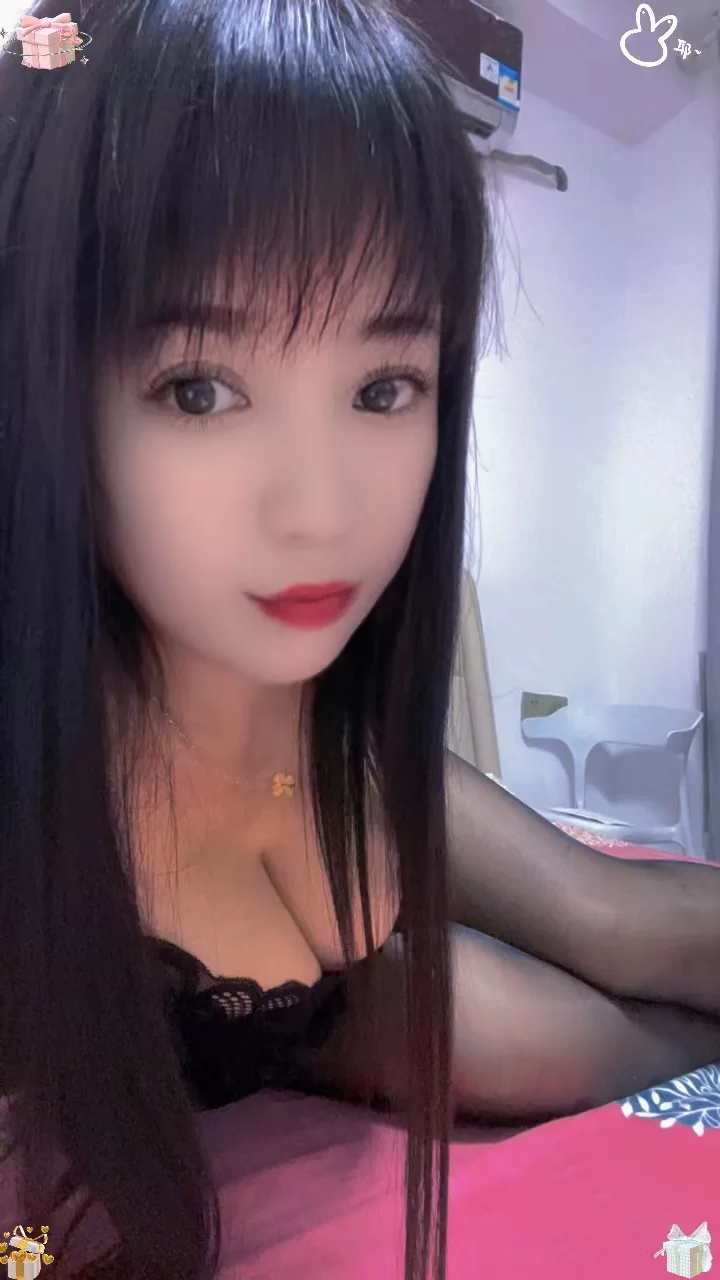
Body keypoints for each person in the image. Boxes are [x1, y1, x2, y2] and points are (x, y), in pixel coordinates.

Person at [1, 1, 720, 1277]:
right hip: (248, 1007)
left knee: (620, 927)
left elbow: (617, 914)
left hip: (335, 802)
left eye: (385, 387)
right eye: (200, 388)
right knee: (614, 1046)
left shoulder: (341, 712)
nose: (324, 512)